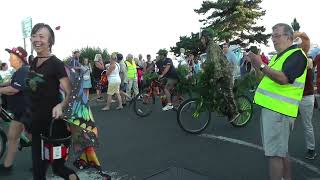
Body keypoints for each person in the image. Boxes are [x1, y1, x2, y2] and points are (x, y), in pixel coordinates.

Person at [249, 23, 307, 180]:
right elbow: (267, 77)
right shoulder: (278, 56)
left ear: (289, 37)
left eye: (277, 36)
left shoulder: (297, 55)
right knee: (281, 152)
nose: (273, 39)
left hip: (280, 112)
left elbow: (283, 79)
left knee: (274, 155)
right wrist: (256, 66)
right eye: (272, 36)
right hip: (274, 111)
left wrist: (260, 64)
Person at [27, 23, 78, 180]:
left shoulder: (56, 63)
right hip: (36, 124)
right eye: (34, 36)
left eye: (41, 36)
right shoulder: (34, 62)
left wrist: (61, 104)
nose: (37, 39)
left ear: (50, 41)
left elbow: (71, 92)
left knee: (58, 168)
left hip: (53, 124)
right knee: (38, 169)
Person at [0, 47, 31, 173]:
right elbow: (11, 82)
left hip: (28, 112)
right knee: (12, 137)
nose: (9, 59)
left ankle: (43, 165)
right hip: (20, 112)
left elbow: (14, 89)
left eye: (11, 57)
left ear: (19, 59)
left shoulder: (24, 70)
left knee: (35, 140)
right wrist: (2, 85)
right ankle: (7, 166)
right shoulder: (19, 71)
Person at [200, 29, 240, 122]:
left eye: (202, 38)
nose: (201, 40)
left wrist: (214, 77)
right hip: (221, 72)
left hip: (225, 72)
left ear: (207, 38)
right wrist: (204, 65)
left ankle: (235, 112)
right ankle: (223, 106)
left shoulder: (212, 47)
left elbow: (216, 63)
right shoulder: (210, 47)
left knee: (227, 92)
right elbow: (210, 61)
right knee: (216, 90)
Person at [293, 32, 317, 159]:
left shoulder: (307, 61)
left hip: (305, 96)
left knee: (307, 124)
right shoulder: (304, 60)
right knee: (289, 123)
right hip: (297, 96)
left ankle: (311, 149)